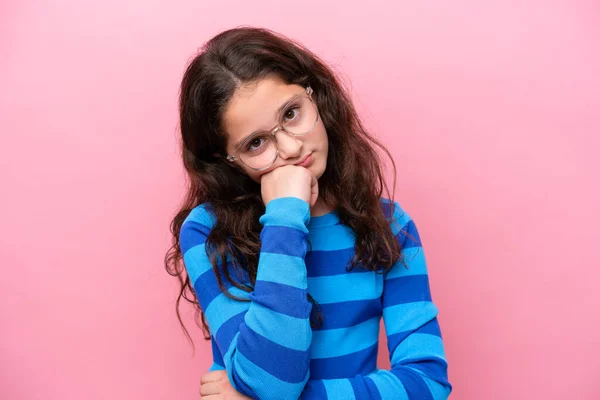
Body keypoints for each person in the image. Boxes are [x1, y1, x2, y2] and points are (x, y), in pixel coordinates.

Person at [165, 26, 452, 400]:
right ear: (229, 162)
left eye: (291, 113)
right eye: (255, 143)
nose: (289, 146)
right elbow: (271, 381)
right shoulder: (208, 232)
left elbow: (427, 382)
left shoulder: (391, 226)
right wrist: (285, 216)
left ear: (315, 95)